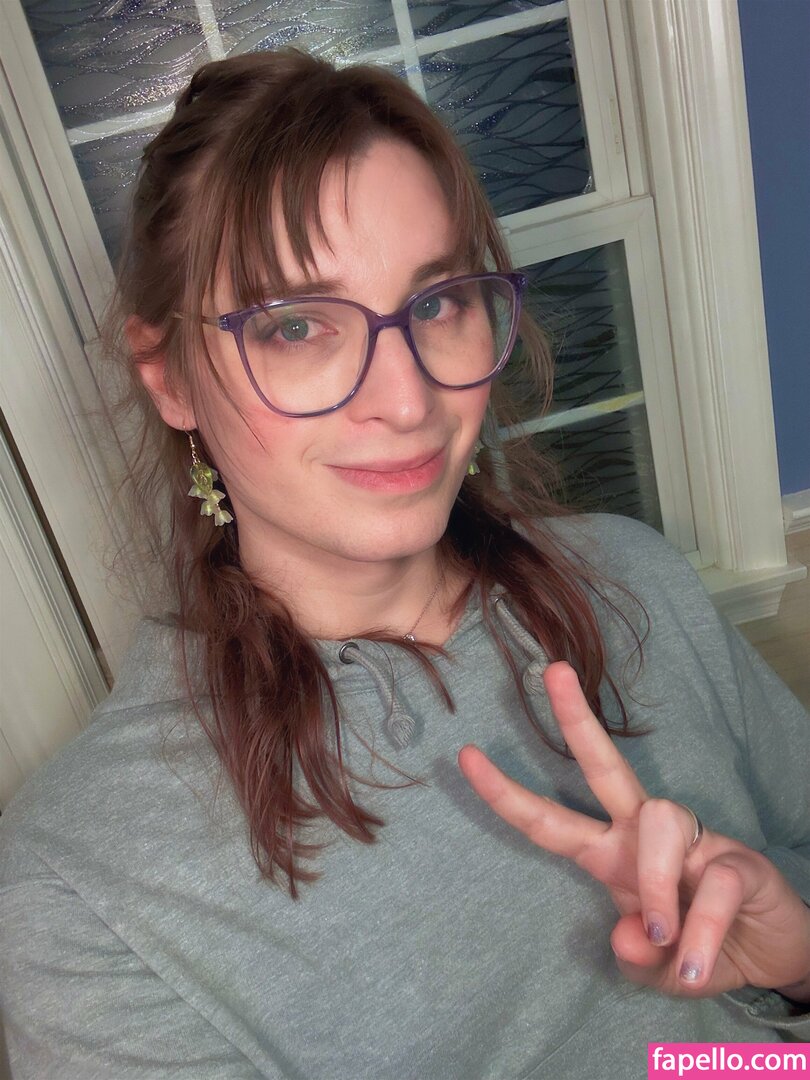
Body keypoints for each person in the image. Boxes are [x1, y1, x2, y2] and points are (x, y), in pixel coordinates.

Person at [0, 48, 808, 1080]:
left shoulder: (633, 578)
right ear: (170, 379)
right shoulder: (82, 886)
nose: (408, 398)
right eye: (297, 326)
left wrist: (795, 971)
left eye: (435, 304)